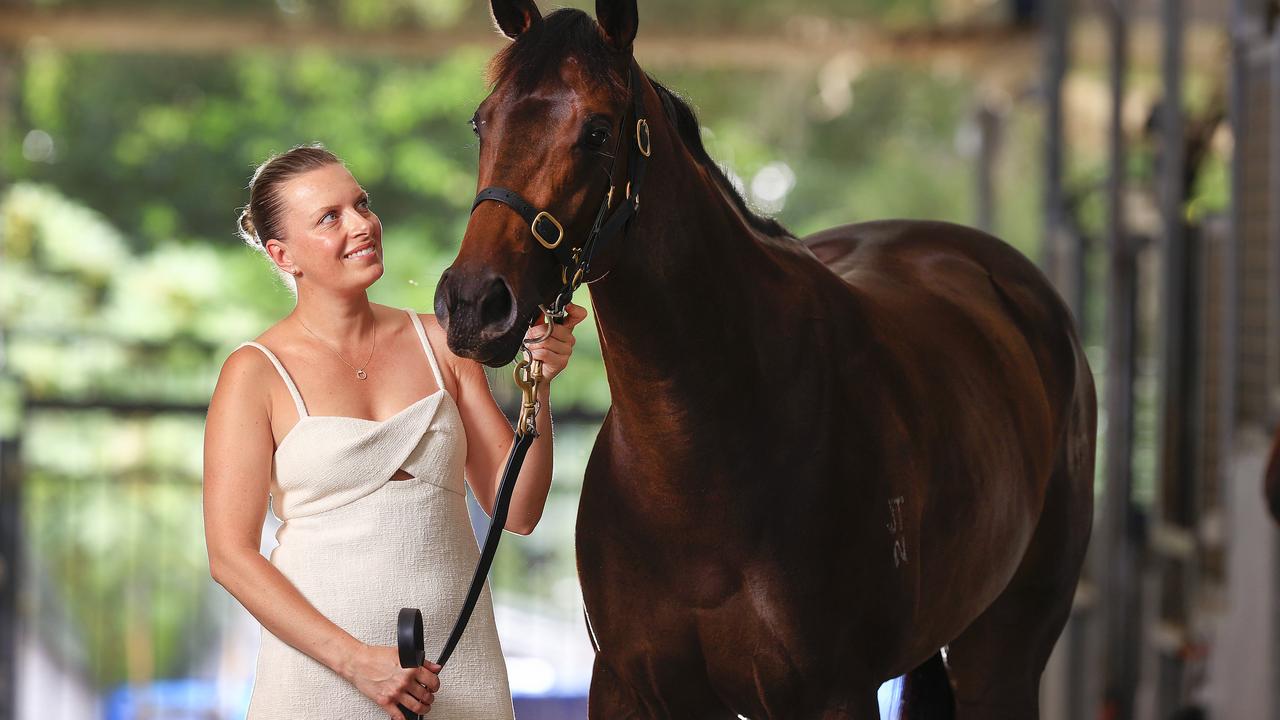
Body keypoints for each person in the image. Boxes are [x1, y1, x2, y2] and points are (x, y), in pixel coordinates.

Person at [202, 144, 586, 719]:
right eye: (330, 217)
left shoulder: (444, 343)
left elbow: (520, 510)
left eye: (362, 204)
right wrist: (357, 661)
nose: (362, 225)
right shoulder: (254, 373)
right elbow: (230, 556)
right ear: (283, 255)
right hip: (318, 679)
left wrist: (539, 381)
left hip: (458, 669)